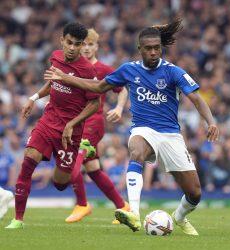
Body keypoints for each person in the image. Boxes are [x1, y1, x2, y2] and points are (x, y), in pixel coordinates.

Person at [44, 19, 219, 236]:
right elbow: (99, 87)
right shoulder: (128, 70)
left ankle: (179, 217)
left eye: (157, 48)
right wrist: (66, 79)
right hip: (142, 129)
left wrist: (210, 121)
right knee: (136, 150)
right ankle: (133, 212)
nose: (154, 52)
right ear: (140, 49)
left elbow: (196, 98)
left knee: (195, 193)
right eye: (149, 49)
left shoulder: (173, 72)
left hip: (170, 134)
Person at [5, 22, 101, 229]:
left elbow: (95, 103)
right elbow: (53, 83)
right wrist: (34, 97)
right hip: (48, 122)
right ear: (62, 41)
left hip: (71, 133)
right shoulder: (56, 56)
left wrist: (73, 123)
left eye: (77, 44)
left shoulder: (87, 69)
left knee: (60, 183)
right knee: (28, 161)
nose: (73, 48)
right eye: (69, 43)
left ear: (82, 44)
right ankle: (18, 219)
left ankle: (78, 154)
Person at [65, 28, 129, 224]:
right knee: (93, 169)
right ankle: (123, 207)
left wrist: (119, 107)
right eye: (82, 44)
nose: (86, 48)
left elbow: (123, 89)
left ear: (97, 46)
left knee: (72, 163)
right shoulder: (72, 68)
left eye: (90, 44)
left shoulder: (103, 69)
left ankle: (82, 204)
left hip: (93, 123)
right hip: (76, 124)